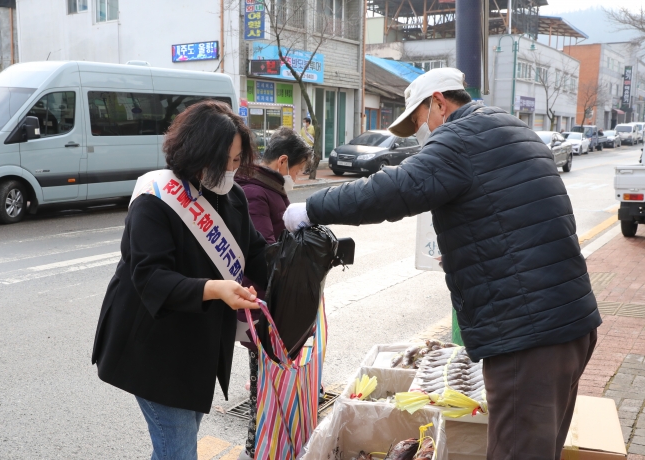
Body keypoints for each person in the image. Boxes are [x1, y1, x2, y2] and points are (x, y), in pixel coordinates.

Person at [283, 68, 601, 460]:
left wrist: (313, 208)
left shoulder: (460, 138)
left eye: (419, 121)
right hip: (568, 321)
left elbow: (392, 190)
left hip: (528, 335)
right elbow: (515, 220)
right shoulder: (508, 126)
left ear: (438, 102)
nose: (423, 133)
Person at [91, 100, 268, 460]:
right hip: (155, 348)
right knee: (179, 450)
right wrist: (216, 289)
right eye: (228, 161)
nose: (234, 170)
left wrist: (301, 263)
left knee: (176, 447)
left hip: (195, 348)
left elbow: (256, 252)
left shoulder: (231, 196)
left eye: (238, 160)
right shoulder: (154, 201)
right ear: (199, 154)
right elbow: (151, 277)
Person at [235, 127, 312, 459]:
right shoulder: (255, 192)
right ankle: (257, 448)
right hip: (261, 307)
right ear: (283, 161)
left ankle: (271, 442)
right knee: (264, 381)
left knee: (270, 379)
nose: (298, 177)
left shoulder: (267, 187)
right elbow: (264, 254)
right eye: (299, 171)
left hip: (272, 303)